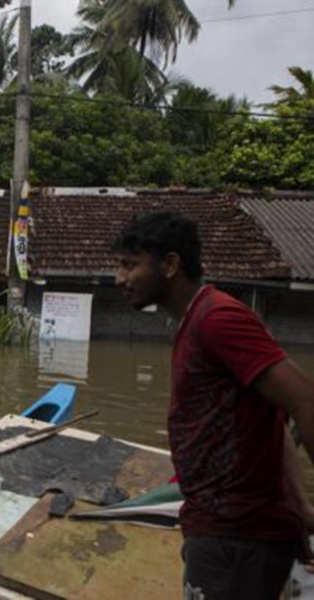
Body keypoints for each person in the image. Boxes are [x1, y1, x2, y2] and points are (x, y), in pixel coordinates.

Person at [114, 211, 314, 600]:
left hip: (237, 538)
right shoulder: (196, 321)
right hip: (222, 532)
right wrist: (300, 507)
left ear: (171, 265)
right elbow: (275, 415)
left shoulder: (218, 320)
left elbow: (305, 400)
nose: (119, 279)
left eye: (129, 265)